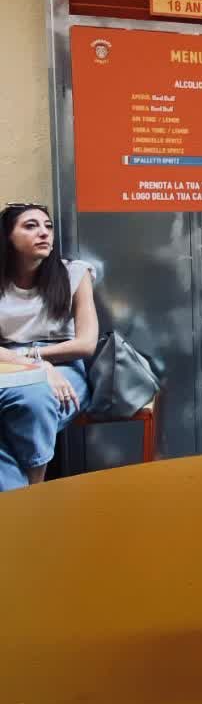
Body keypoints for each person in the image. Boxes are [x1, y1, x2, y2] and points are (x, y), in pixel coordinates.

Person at [0, 202, 98, 490]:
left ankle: (36, 488)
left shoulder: (75, 274)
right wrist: (36, 366)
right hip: (9, 364)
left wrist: (40, 361)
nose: (44, 233)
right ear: (7, 236)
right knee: (26, 398)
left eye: (48, 226)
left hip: (65, 364)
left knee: (35, 396)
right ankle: (23, 502)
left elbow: (86, 344)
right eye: (30, 226)